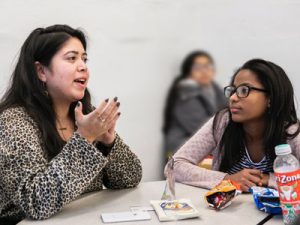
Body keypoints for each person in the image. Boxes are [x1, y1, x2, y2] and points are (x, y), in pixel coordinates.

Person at [0, 25, 142, 225]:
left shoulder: (84, 114)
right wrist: (85, 139)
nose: (83, 66)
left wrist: (108, 143)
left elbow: (130, 178)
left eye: (84, 59)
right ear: (41, 71)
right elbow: (35, 203)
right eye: (71, 58)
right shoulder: (14, 121)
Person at [167, 58, 300, 192]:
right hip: (229, 210)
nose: (233, 98)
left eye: (244, 90)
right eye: (233, 90)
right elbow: (174, 165)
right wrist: (227, 179)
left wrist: (267, 179)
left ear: (271, 99)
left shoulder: (291, 132)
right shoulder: (223, 121)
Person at [162, 50, 227, 159]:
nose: (204, 71)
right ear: (188, 72)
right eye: (197, 68)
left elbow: (228, 111)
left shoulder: (214, 89)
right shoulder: (185, 95)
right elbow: (203, 128)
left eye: (207, 66)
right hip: (183, 148)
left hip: (206, 144)